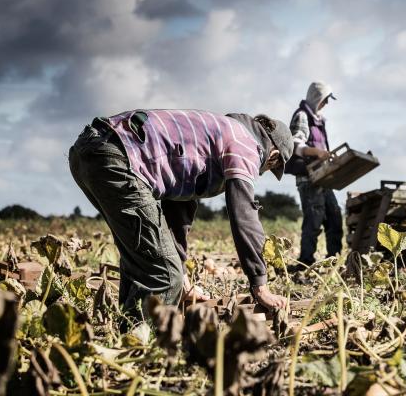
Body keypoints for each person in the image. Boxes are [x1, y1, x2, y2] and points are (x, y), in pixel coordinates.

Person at [69, 109, 293, 327]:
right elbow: (244, 213)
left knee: (144, 259)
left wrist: (183, 277)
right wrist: (260, 284)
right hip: (118, 155)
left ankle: (127, 331)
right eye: (270, 167)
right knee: (164, 275)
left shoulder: (216, 134)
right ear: (273, 156)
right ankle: (140, 346)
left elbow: (178, 211)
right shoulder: (245, 143)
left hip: (91, 150)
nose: (261, 172)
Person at [286, 82, 344, 268]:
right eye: (325, 100)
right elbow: (295, 145)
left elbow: (322, 147)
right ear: (316, 98)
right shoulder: (302, 116)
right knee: (313, 220)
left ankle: (333, 260)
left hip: (323, 176)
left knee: (334, 217)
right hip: (308, 177)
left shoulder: (319, 119)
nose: (326, 104)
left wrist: (326, 156)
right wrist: (318, 153)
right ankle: (305, 262)